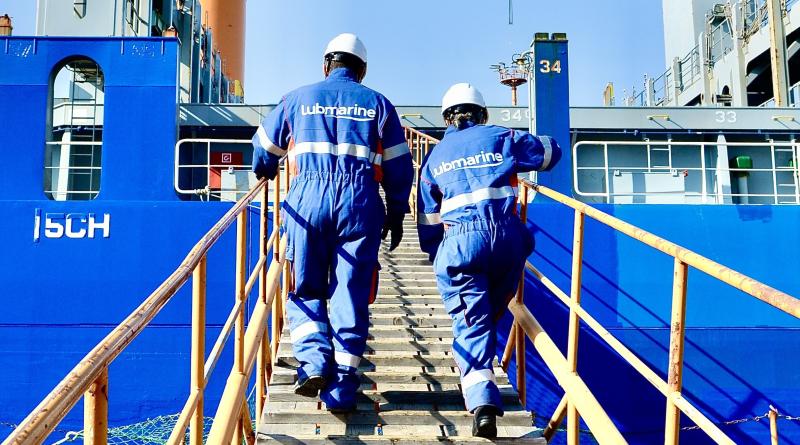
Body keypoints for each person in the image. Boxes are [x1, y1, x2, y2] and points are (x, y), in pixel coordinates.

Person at [251, 33, 413, 412]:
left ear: (326, 65)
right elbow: (399, 166)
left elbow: (263, 148)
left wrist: (266, 168)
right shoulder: (379, 104)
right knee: (351, 291)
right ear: (362, 70)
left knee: (306, 285)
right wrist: (396, 211)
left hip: (306, 201)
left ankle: (313, 363)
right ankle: (341, 387)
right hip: (360, 203)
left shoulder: (297, 98)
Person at [416, 83, 561, 437]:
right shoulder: (501, 136)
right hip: (508, 240)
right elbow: (549, 154)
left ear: (447, 118)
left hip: (462, 244)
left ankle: (482, 404)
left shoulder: (435, 157)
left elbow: (429, 220)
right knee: (490, 314)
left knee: (472, 322)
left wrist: (437, 253)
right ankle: (481, 359)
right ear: (482, 113)